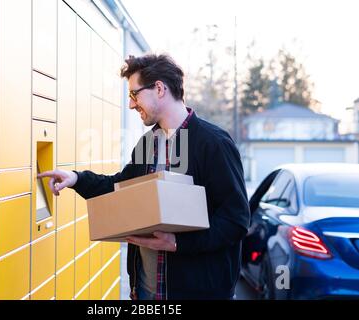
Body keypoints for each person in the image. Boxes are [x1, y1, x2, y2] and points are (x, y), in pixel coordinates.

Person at [38, 54, 250, 300]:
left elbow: (236, 220)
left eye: (134, 94)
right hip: (146, 292)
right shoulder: (148, 143)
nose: (131, 104)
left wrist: (179, 243)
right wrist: (76, 178)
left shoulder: (214, 143)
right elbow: (120, 188)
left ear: (159, 88)